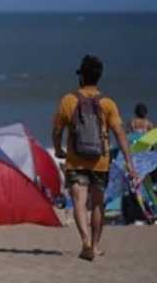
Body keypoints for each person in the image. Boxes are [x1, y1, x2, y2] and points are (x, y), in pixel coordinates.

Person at [52, 55, 139, 261]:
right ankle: (96, 245)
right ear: (98, 77)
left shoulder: (68, 100)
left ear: (81, 77)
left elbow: (57, 131)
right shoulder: (108, 104)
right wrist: (129, 162)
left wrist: (58, 150)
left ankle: (85, 242)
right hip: (100, 161)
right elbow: (120, 134)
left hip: (76, 160)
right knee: (98, 204)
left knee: (79, 202)